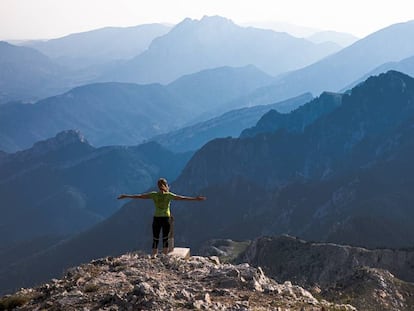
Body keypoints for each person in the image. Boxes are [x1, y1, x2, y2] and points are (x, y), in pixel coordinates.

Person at [117, 178, 206, 257]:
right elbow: (182, 198)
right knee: (165, 237)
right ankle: (164, 254)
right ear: (166, 185)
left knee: (155, 237)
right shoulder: (169, 195)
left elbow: (140, 196)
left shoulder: (154, 195)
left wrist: (126, 196)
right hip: (166, 218)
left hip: (157, 218)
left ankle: (154, 254)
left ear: (158, 186)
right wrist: (195, 199)